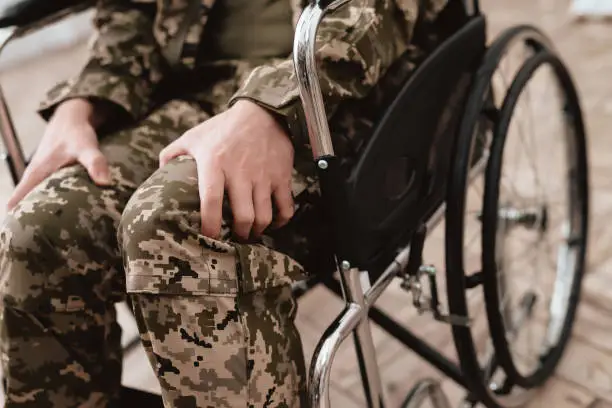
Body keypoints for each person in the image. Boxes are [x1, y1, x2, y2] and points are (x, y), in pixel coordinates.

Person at [0, 0, 457, 406]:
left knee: (177, 221)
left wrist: (277, 105)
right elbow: (134, 13)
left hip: (344, 100)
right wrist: (82, 102)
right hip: (200, 89)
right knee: (40, 230)